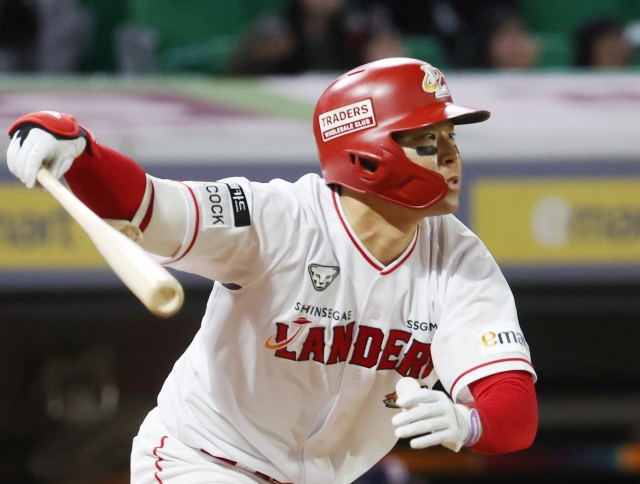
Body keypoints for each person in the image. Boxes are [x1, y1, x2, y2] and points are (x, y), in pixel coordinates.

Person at [6, 57, 538, 484]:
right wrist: (79, 148)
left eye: (452, 140)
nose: (451, 158)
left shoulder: (460, 260)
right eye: (429, 142)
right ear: (367, 152)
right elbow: (146, 208)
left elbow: (513, 407)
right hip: (205, 461)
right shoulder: (276, 218)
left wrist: (470, 422)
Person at [229, 0, 404, 75]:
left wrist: (386, 62)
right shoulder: (272, 30)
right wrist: (260, 59)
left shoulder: (363, 30)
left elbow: (398, 67)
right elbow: (233, 74)